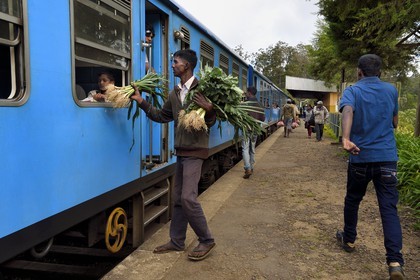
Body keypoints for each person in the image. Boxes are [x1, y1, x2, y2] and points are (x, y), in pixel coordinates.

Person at [130, 49, 216, 261]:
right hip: (181, 151)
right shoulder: (174, 93)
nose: (172, 65)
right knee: (178, 198)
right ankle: (177, 241)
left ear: (186, 65)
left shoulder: (203, 89)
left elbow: (212, 120)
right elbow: (161, 116)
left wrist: (211, 110)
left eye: (175, 62)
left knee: (188, 197)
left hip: (196, 151)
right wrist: (141, 101)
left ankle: (206, 239)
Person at [337, 54, 405, 280]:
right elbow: (395, 122)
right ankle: (395, 262)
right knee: (388, 209)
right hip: (387, 158)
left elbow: (347, 110)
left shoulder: (353, 91)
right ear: (380, 72)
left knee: (353, 200)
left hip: (360, 156)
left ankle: (348, 239)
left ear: (359, 71)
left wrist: (346, 138)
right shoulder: (391, 91)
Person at [242, 86, 265, 179]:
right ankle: (251, 167)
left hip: (247, 129)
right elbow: (262, 118)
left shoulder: (245, 104)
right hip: (255, 129)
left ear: (249, 93)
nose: (246, 94)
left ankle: (247, 168)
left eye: (247, 92)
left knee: (245, 148)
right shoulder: (259, 104)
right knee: (252, 149)